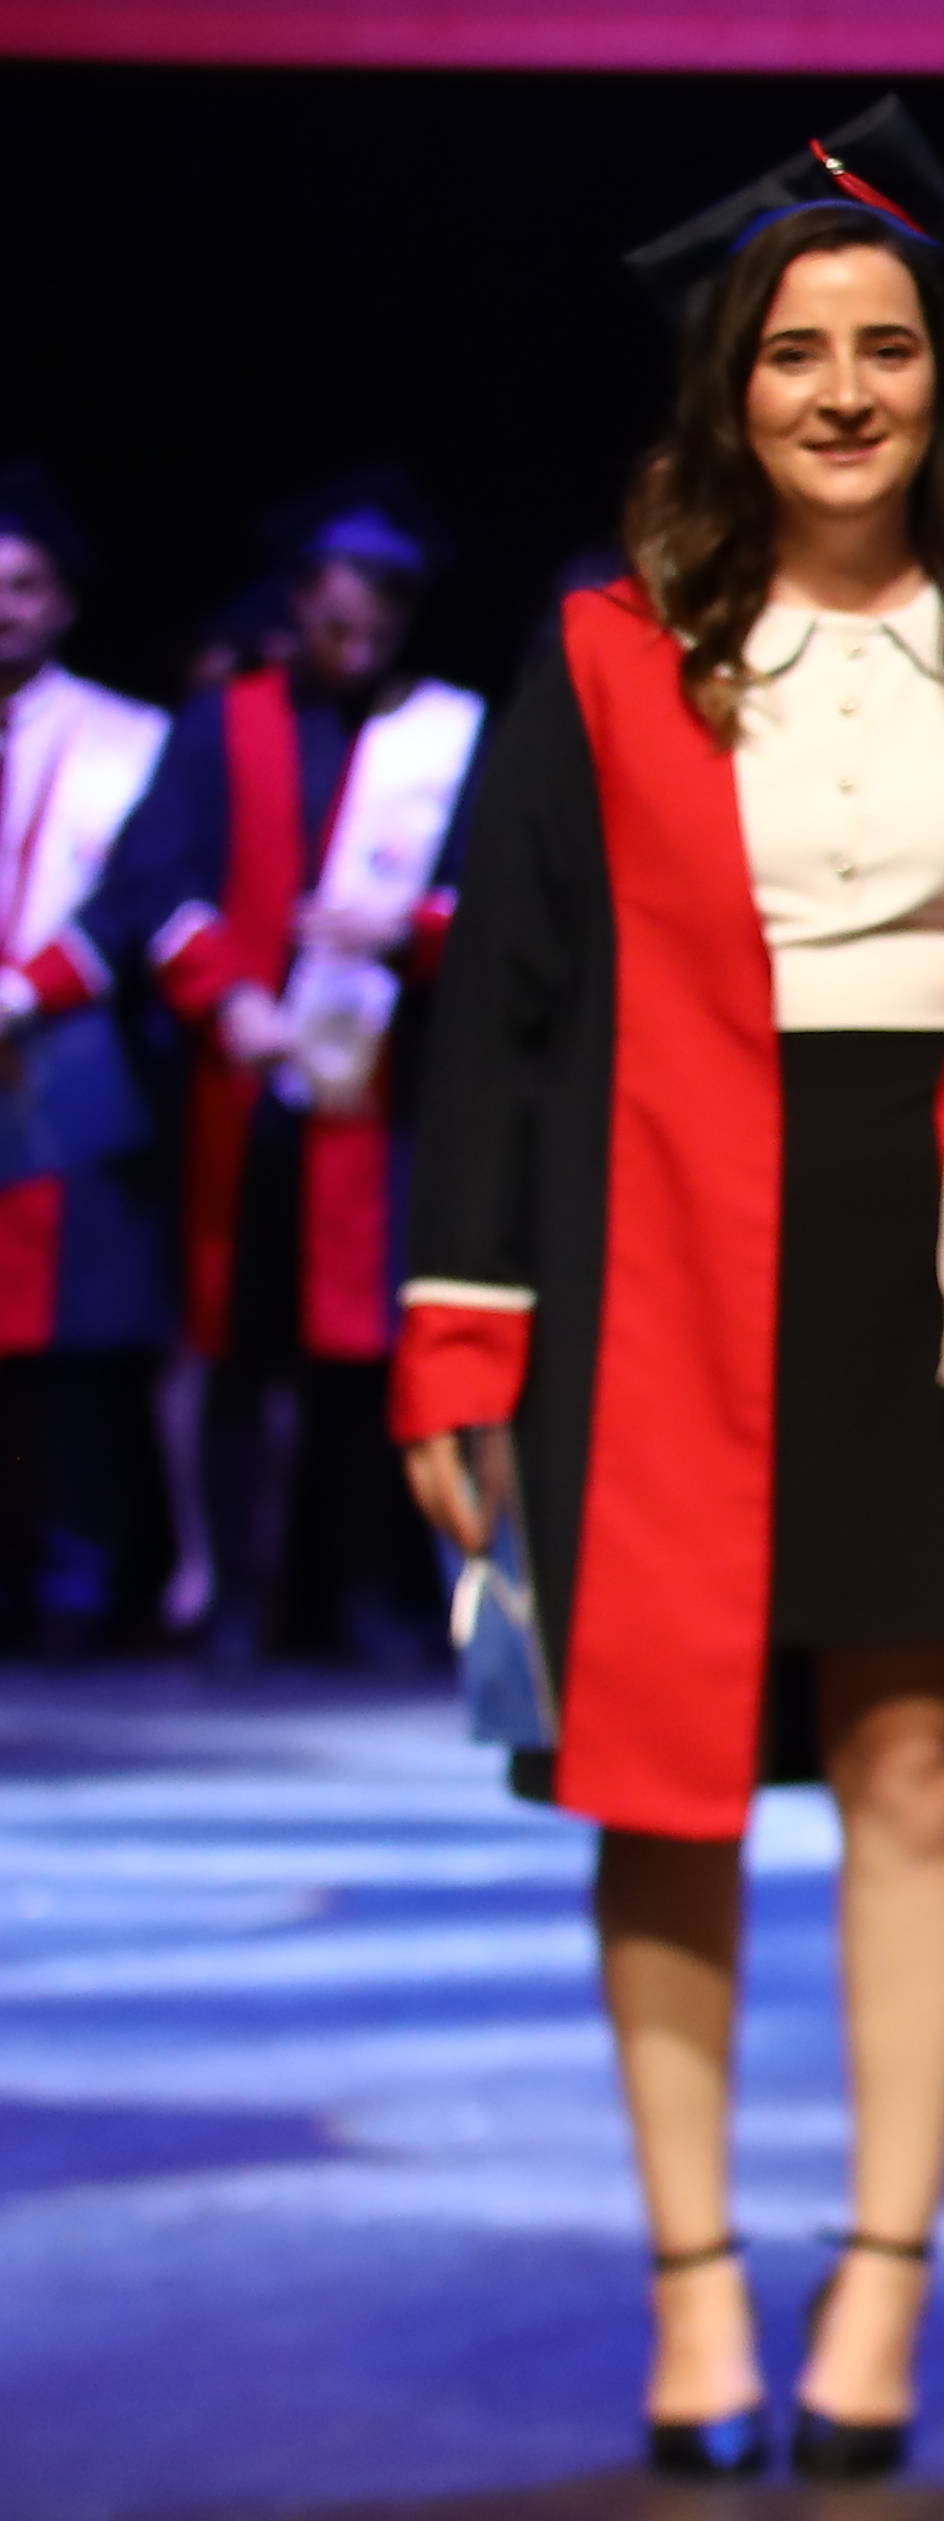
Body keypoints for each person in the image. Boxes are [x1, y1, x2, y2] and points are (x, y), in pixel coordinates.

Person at [386, 123, 944, 2476]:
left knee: (915, 1762)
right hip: (659, 1265)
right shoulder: (607, 650)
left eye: (884, 348)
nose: (841, 391)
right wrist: (460, 1338)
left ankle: (884, 2281)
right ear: (730, 389)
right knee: (664, 1785)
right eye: (794, 352)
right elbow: (503, 1012)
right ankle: (696, 2281)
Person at [88, 487, 485, 1661]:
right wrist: (229, 999)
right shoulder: (226, 722)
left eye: (380, 620)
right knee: (237, 1351)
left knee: (370, 1355)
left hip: (390, 1090)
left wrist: (407, 928)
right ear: (300, 604)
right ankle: (238, 1600)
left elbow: (499, 895)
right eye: (336, 617)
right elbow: (155, 884)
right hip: (247, 1083)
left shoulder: (452, 734)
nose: (356, 640)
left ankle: (366, 1600)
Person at [0, 475, 177, 1646]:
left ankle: (76, 1579)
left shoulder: (130, 737)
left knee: (72, 1344)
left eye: (22, 587)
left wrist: (24, 990)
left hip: (67, 1065)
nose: (1, 610)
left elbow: (137, 897)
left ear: (62, 602)